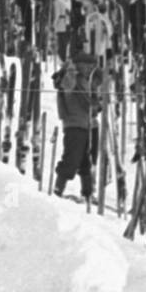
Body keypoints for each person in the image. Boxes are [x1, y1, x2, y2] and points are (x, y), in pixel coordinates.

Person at [52, 51, 103, 201]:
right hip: (75, 124)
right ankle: (58, 190)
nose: (89, 69)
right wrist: (70, 69)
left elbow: (98, 82)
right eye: (88, 66)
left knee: (86, 161)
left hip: (87, 124)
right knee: (71, 159)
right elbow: (67, 86)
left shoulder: (86, 80)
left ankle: (87, 192)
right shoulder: (72, 76)